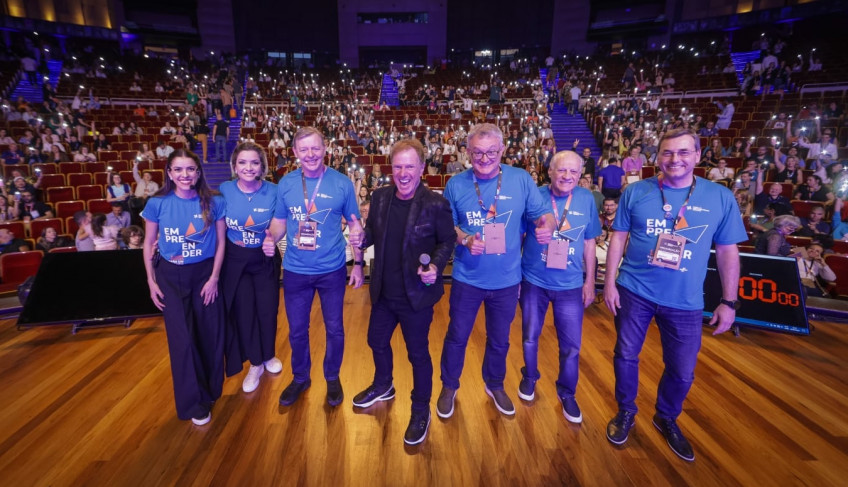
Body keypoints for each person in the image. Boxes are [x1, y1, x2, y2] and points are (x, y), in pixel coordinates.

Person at [603, 128, 747, 462]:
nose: (674, 159)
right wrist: (609, 283)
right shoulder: (636, 191)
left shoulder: (719, 197)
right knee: (625, 355)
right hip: (634, 290)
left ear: (698, 155)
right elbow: (618, 240)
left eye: (683, 152)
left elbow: (728, 252)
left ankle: (666, 417)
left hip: (685, 299)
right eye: (667, 153)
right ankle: (626, 411)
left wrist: (728, 301)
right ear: (658, 157)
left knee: (682, 370)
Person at [437, 123, 555, 418]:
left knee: (500, 339)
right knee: (457, 336)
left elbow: (544, 215)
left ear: (502, 150)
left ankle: (495, 383)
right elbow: (445, 225)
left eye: (491, 152)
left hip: (506, 279)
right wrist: (464, 238)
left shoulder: (522, 179)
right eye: (477, 152)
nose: (485, 158)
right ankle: (449, 385)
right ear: (467, 152)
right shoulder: (456, 184)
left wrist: (547, 227)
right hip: (467, 278)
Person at [351, 138, 456, 445]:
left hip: (417, 297)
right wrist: (361, 239)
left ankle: (420, 408)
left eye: (410, 166)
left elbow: (447, 241)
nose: (403, 172)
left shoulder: (436, 204)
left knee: (418, 354)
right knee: (376, 340)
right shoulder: (381, 197)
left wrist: (436, 266)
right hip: (384, 291)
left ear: (422, 168)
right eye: (398, 166)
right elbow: (374, 234)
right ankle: (384, 384)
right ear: (391, 168)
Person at [261, 127, 363, 408]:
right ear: (295, 153)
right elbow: (280, 222)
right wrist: (271, 236)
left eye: (315, 148)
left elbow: (355, 225)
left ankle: (332, 377)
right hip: (295, 270)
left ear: (325, 148)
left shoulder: (342, 183)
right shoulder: (286, 184)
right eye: (304, 149)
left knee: (335, 329)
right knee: (296, 330)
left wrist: (359, 264)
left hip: (331, 270)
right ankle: (301, 377)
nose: (310, 155)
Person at [141, 149, 226, 426]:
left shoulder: (214, 201)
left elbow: (221, 242)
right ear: (169, 173)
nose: (185, 175)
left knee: (209, 335)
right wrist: (151, 281)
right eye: (178, 169)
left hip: (204, 274)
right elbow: (148, 243)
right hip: (170, 277)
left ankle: (210, 391)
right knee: (183, 340)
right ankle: (192, 402)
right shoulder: (157, 203)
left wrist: (214, 277)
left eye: (190, 169)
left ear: (198, 172)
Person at [518, 150, 600, 423]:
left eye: (573, 172)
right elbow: (519, 235)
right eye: (561, 170)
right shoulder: (535, 196)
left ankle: (567, 392)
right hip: (533, 280)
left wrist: (590, 281)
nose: (567, 176)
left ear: (580, 175)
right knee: (530, 336)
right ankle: (529, 377)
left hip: (570, 285)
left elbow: (589, 242)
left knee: (571, 346)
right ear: (549, 171)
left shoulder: (587, 199)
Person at [219, 142, 283, 393]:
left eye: (254, 162)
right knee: (244, 312)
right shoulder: (223, 189)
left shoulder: (274, 191)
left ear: (262, 166)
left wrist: (273, 239)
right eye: (242, 162)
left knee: (268, 310)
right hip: (235, 260)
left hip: (264, 257)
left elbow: (281, 221)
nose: (248, 167)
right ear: (234, 166)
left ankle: (268, 355)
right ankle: (255, 363)